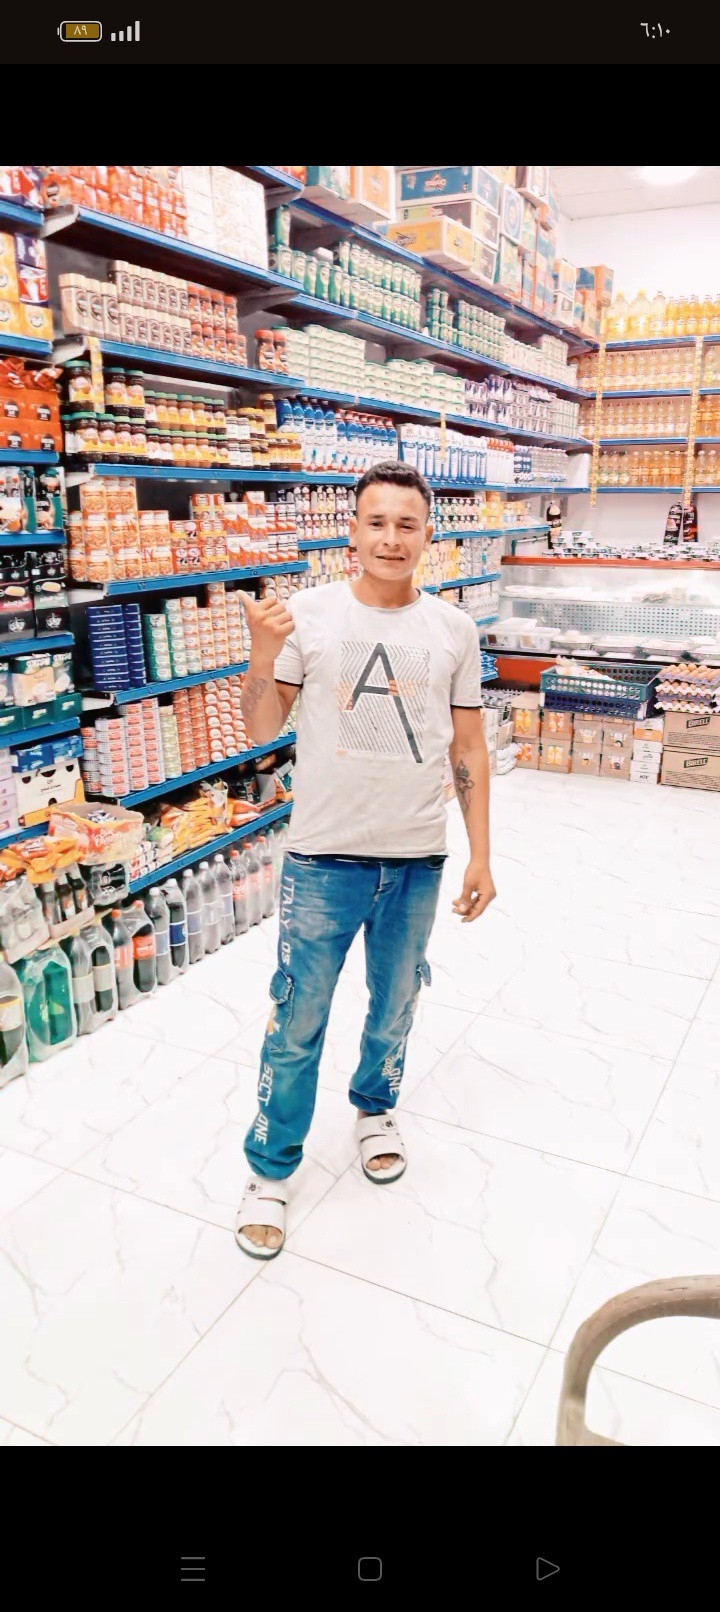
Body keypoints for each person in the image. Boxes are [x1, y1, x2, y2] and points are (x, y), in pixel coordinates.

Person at [235, 461, 496, 1259]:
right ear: (351, 531)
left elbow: (469, 749)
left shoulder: (452, 630)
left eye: (406, 524)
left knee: (397, 1003)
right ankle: (270, 1169)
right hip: (323, 859)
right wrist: (261, 652)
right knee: (298, 1017)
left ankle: (375, 1110)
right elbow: (260, 730)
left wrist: (481, 854)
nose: (390, 538)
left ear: (427, 534)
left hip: (416, 857)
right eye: (375, 522)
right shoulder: (307, 617)